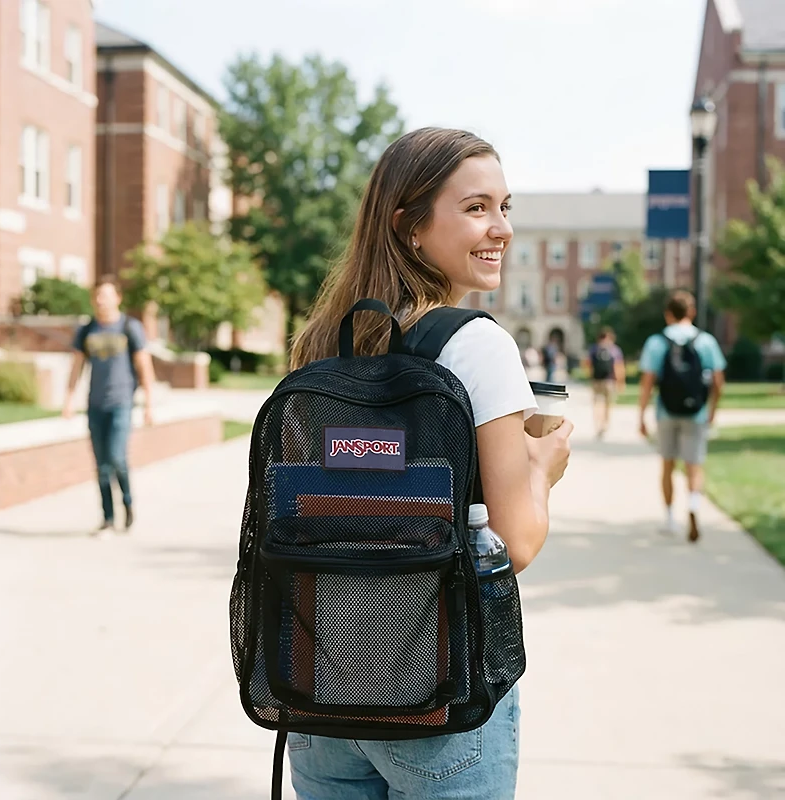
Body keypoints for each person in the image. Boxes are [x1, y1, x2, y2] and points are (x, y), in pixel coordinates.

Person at [286, 127, 573, 799]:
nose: (500, 228)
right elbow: (516, 541)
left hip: (322, 680)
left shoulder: (325, 343)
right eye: (476, 208)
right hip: (436, 690)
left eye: (506, 207)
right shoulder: (477, 346)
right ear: (409, 226)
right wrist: (543, 468)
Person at [62, 275, 155, 536]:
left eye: (106, 294)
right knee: (101, 464)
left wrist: (149, 404)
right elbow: (76, 367)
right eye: (97, 295)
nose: (100, 300)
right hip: (95, 405)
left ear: (118, 298)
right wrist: (69, 400)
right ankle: (108, 518)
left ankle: (127, 501)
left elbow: (144, 366)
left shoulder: (130, 327)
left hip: (121, 404)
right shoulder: (87, 329)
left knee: (116, 458)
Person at [638, 290, 726, 542]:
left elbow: (647, 382)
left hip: (666, 411)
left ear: (668, 314)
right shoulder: (706, 341)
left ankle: (668, 518)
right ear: (692, 312)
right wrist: (712, 410)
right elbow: (719, 381)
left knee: (667, 465)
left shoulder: (657, 342)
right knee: (694, 465)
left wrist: (641, 416)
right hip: (696, 412)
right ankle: (694, 506)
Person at [585, 326, 626, 438]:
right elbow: (618, 366)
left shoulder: (594, 348)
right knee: (608, 404)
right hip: (609, 380)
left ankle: (598, 424)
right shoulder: (614, 350)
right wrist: (621, 382)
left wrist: (590, 375)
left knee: (597, 404)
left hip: (596, 380)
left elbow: (587, 363)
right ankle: (605, 424)